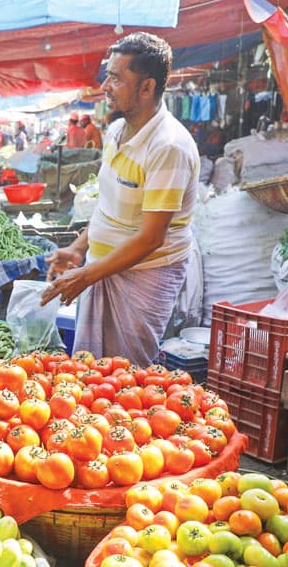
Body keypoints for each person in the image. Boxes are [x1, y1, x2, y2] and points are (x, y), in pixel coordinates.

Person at [41, 32, 199, 367]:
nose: (105, 86)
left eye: (116, 78)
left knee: (127, 375)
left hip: (145, 273)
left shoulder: (168, 147)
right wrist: (79, 249)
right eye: (107, 76)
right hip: (103, 265)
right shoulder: (116, 131)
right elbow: (107, 205)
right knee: (90, 369)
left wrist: (87, 274)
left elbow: (151, 238)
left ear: (147, 87)